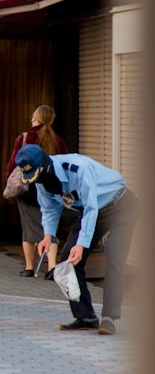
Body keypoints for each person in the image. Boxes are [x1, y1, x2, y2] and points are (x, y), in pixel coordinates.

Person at [15, 142, 138, 335]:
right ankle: (86, 317)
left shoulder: (78, 169)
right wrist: (48, 235)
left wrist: (82, 244)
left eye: (37, 175)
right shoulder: (40, 179)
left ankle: (109, 318)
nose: (36, 180)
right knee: (68, 261)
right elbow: (49, 209)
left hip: (120, 205)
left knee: (114, 257)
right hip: (93, 212)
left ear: (44, 165)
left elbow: (91, 207)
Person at [5, 104, 67, 276]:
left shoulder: (25, 138)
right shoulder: (58, 140)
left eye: (33, 117)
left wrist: (9, 179)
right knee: (50, 227)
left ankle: (29, 268)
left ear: (36, 118)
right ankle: (52, 267)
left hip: (27, 189)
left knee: (28, 228)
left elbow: (14, 162)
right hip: (51, 188)